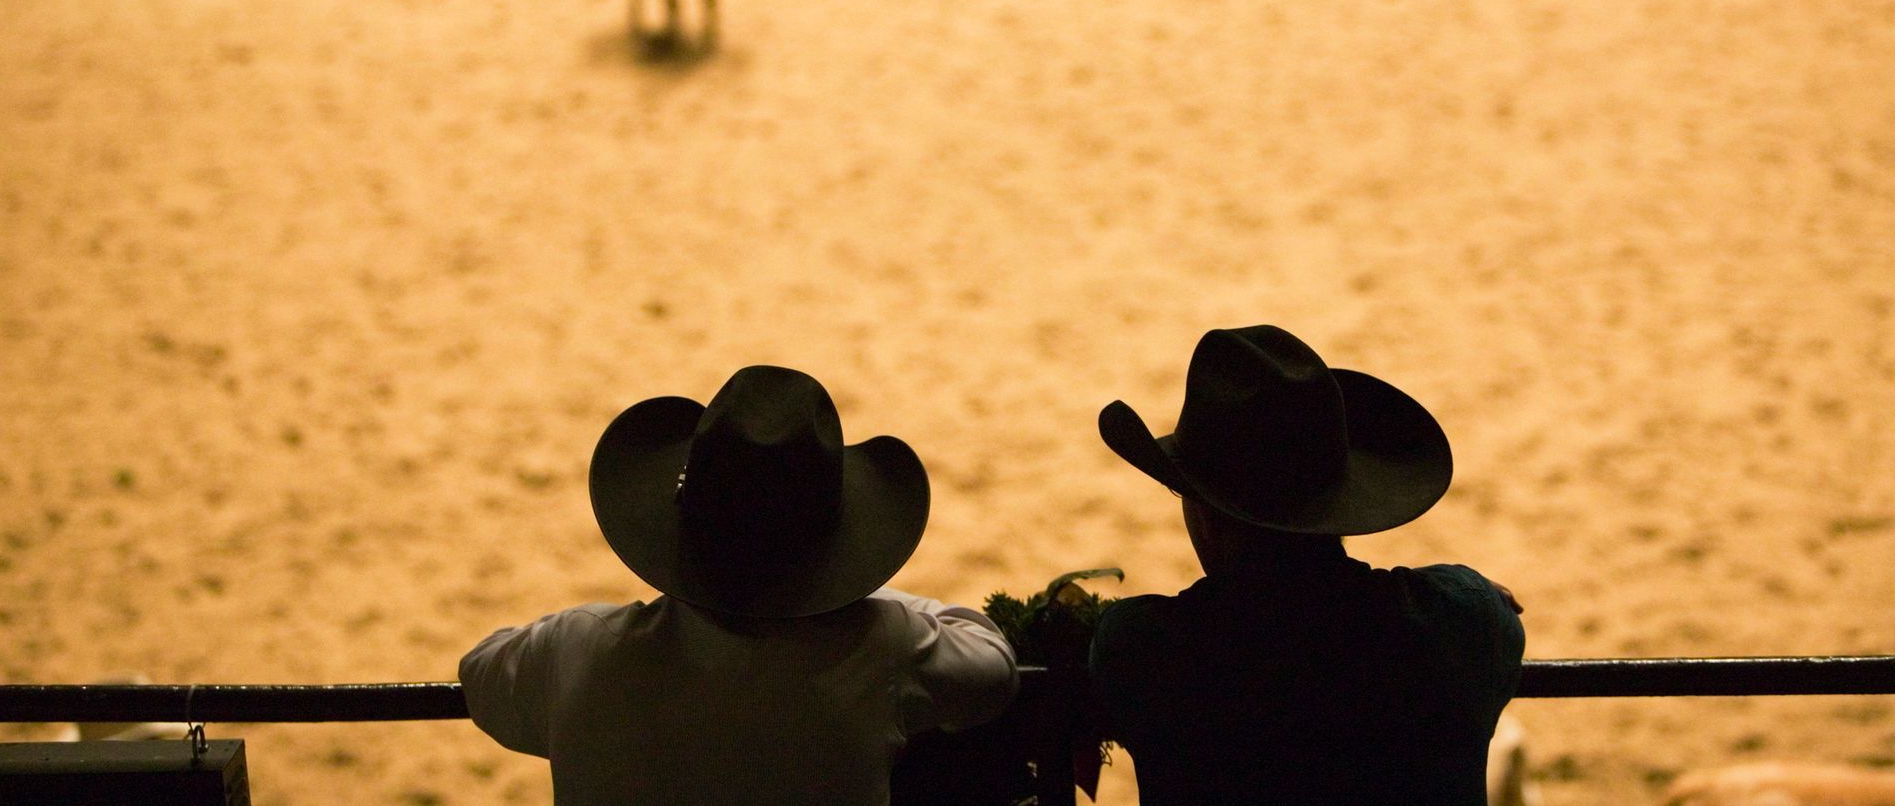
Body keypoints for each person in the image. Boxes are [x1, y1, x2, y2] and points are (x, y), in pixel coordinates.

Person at [461, 364, 1020, 806]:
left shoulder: (577, 647)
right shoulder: (882, 647)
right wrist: (868, 601)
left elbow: (480, 671)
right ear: (834, 555)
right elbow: (992, 668)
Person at [1090, 325, 1526, 806]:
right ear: (1344, 501)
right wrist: (1472, 593)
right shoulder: (1463, 622)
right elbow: (1481, 610)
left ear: (1207, 513)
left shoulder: (1144, 650)